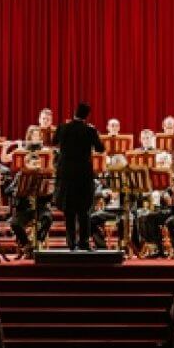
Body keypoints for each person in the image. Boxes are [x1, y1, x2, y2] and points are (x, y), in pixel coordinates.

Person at [53, 102, 105, 251]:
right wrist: (95, 133)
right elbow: (100, 149)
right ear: (87, 116)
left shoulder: (63, 127)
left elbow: (54, 141)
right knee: (84, 211)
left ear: (74, 113)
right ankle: (84, 243)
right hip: (83, 175)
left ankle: (71, 244)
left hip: (66, 175)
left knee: (69, 211)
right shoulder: (90, 130)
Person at [5, 152, 54, 256]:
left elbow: (51, 198)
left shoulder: (44, 175)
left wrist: (49, 191)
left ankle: (38, 240)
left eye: (38, 164)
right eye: (33, 164)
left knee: (48, 218)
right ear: (27, 164)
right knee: (15, 223)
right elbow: (7, 191)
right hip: (24, 209)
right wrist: (17, 190)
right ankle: (27, 245)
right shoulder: (20, 176)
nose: (36, 167)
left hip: (40, 207)